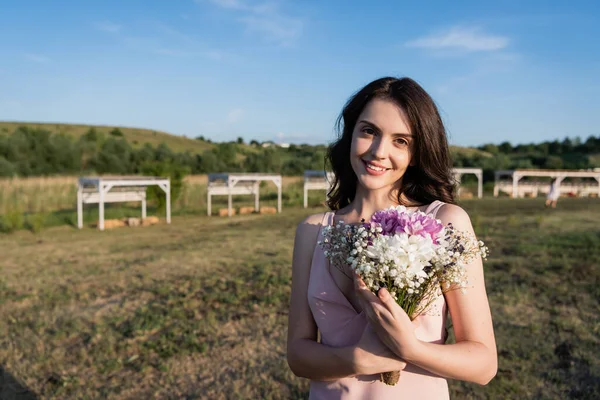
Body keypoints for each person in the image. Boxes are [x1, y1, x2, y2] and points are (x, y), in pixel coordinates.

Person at [287, 77, 497, 399]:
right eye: (369, 131)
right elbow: (298, 355)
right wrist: (356, 359)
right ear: (351, 134)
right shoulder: (313, 230)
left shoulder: (444, 222)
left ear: (416, 152)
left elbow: (484, 364)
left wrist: (410, 348)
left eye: (401, 141)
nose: (378, 151)